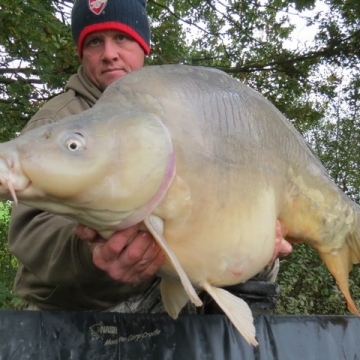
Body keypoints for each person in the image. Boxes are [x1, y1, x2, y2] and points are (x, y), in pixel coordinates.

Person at [8, 0, 291, 313]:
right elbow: (31, 231)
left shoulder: (177, 108)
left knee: (260, 251)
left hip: (161, 282)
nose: (109, 54)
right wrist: (92, 253)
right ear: (82, 53)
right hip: (77, 304)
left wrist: (251, 234)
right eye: (94, 42)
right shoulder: (58, 121)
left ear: (144, 47)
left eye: (122, 38)